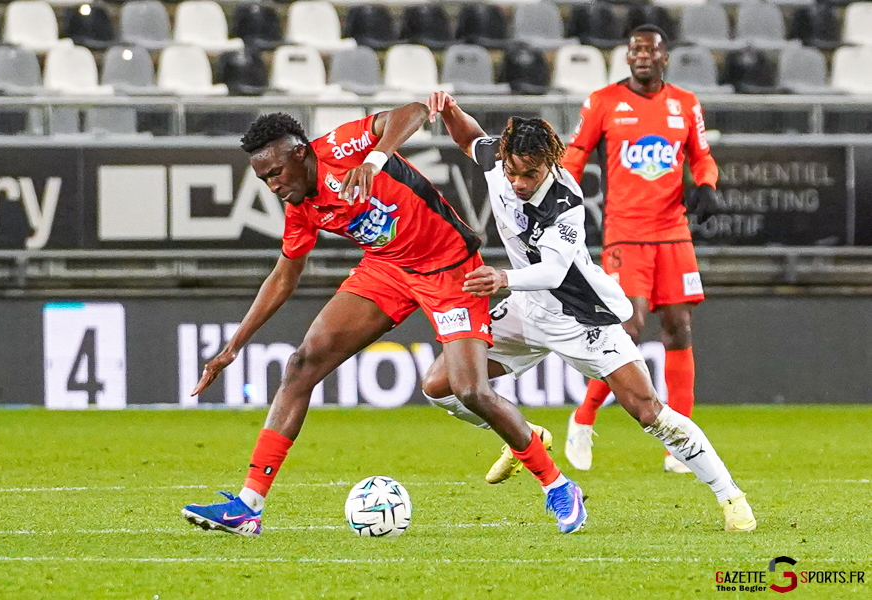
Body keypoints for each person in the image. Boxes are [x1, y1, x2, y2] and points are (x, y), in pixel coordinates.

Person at [180, 103, 587, 536]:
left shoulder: (341, 146)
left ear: (299, 154)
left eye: (275, 172)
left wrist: (376, 157)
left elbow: (412, 112)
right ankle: (248, 506)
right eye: (264, 179)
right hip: (387, 268)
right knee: (301, 366)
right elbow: (284, 278)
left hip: (449, 267)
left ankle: (558, 486)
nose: (273, 185)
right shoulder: (302, 205)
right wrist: (233, 347)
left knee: (469, 389)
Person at [424, 91, 755, 532]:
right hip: (525, 310)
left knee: (647, 409)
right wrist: (449, 110)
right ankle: (525, 435)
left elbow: (555, 270)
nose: (520, 182)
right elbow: (471, 138)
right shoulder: (498, 163)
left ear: (550, 164)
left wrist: (502, 279)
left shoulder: (565, 200)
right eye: (513, 172)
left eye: (531, 174)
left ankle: (730, 495)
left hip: (579, 317)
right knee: (440, 385)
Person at [562, 25, 719, 474]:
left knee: (679, 328)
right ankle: (583, 418)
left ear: (665, 58)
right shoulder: (603, 102)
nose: (642, 56)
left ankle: (681, 444)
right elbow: (576, 153)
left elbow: (702, 156)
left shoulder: (685, 104)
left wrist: (706, 185)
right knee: (628, 327)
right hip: (625, 231)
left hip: (673, 230)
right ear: (627, 58)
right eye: (635, 50)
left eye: (650, 50)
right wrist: (554, 193)